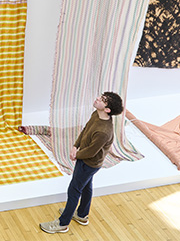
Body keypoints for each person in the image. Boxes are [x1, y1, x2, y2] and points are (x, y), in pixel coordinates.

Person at [39, 91, 124, 234]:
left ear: (107, 109)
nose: (97, 98)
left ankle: (62, 223)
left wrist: (77, 155)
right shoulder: (96, 114)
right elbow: (85, 130)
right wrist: (75, 146)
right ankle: (82, 215)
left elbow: (91, 152)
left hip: (89, 163)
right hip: (84, 159)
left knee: (74, 190)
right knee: (86, 186)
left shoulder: (104, 131)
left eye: (102, 99)